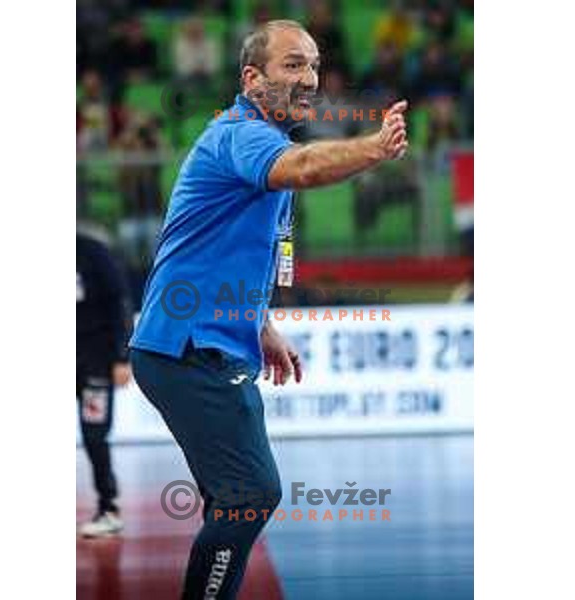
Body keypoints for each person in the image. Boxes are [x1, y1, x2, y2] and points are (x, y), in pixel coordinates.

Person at [130, 20, 408, 599]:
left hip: (206, 346)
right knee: (250, 493)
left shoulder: (260, 144)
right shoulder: (241, 134)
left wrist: (263, 324)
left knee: (235, 499)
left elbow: (229, 252)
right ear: (252, 79)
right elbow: (306, 168)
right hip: (187, 348)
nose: (308, 77)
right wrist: (375, 147)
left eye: (313, 64)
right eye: (292, 65)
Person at [77, 231, 132, 537]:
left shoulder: (91, 251)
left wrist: (122, 357)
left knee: (94, 436)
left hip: (95, 362)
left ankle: (108, 508)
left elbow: (121, 301)